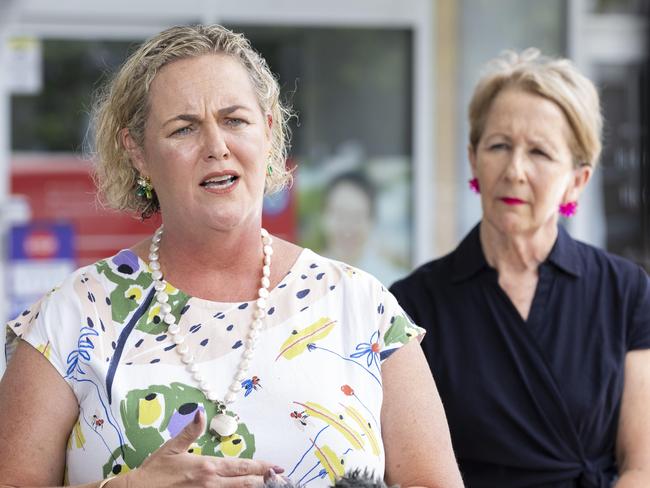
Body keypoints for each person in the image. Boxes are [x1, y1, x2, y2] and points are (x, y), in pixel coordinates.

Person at [0, 25, 463, 488]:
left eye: (235, 120)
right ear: (138, 153)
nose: (216, 147)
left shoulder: (363, 307)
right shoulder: (70, 317)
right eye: (184, 128)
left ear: (269, 130)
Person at [390, 48, 650, 487]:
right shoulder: (413, 303)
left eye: (540, 153)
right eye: (499, 146)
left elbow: (641, 467)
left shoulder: (624, 291)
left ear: (578, 179)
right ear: (473, 158)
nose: (515, 170)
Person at [320, 171, 404, 286]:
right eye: (340, 215)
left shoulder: (391, 284)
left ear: (371, 221)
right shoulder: (305, 279)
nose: (347, 230)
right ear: (324, 217)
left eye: (356, 217)